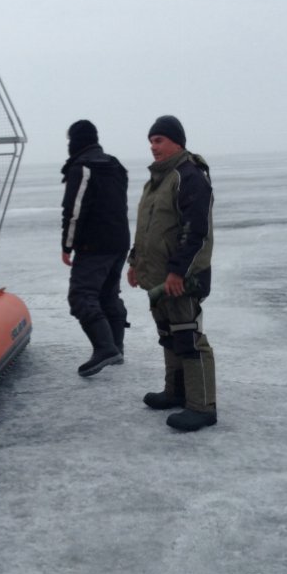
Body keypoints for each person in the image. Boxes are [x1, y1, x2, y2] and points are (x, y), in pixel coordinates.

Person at [127, 115, 217, 431]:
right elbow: (147, 228)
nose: (153, 147)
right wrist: (135, 261)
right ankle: (176, 392)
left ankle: (202, 407)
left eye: (159, 140)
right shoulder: (157, 180)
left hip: (182, 278)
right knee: (169, 335)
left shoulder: (189, 177)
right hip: (157, 276)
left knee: (188, 337)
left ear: (177, 142)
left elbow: (195, 231)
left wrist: (178, 272)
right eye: (151, 141)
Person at [61, 120, 131, 377]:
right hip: (119, 241)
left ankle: (105, 348)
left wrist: (67, 245)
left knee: (81, 296)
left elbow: (74, 211)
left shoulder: (83, 168)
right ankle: (116, 348)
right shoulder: (115, 165)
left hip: (95, 244)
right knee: (108, 294)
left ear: (76, 140)